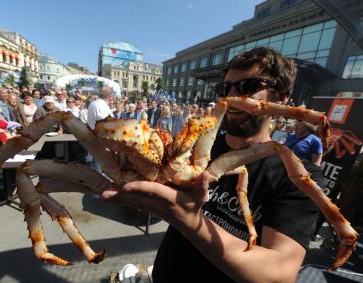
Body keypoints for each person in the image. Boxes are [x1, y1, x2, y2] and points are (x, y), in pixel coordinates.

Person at [102, 47, 324, 282]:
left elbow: (281, 273)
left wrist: (189, 220)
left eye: (247, 87)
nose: (231, 97)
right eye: (224, 88)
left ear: (281, 99)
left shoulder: (298, 176)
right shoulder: (197, 148)